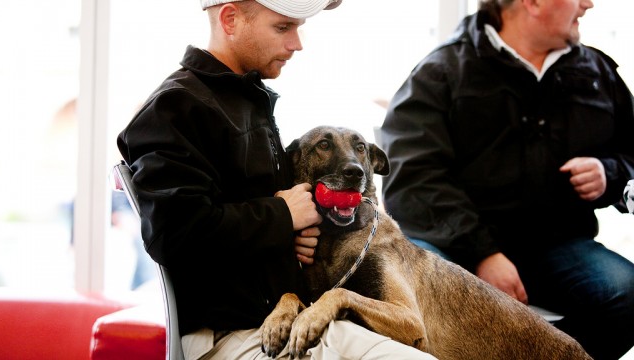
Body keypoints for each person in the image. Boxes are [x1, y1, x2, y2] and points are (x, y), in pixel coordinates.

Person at [117, 1, 436, 359]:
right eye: (283, 28)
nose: (297, 43)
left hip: (278, 316)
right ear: (230, 19)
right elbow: (175, 233)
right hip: (232, 334)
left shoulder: (246, 100)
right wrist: (281, 217)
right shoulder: (174, 108)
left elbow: (249, 216)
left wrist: (287, 237)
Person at [379, 0, 634, 359]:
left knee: (626, 292)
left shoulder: (598, 71)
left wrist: (610, 173)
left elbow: (631, 154)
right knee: (425, 292)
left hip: (556, 244)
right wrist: (483, 253)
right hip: (458, 247)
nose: (588, 4)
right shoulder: (441, 71)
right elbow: (413, 180)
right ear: (533, 2)